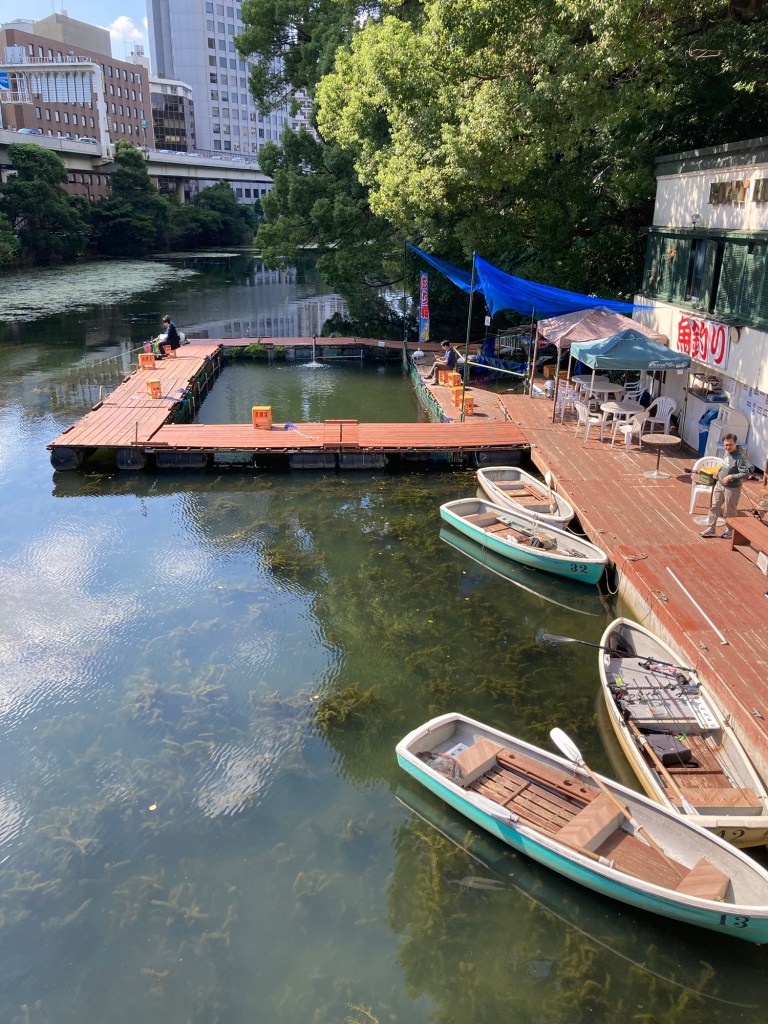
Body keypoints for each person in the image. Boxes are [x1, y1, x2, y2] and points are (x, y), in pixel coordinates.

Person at [700, 433, 749, 538]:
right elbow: (725, 464)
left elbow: (746, 474)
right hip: (719, 484)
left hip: (732, 488)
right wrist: (718, 470)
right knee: (714, 507)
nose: (728, 447)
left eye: (730, 445)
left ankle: (730, 530)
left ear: (735, 443)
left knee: (730, 511)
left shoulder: (740, 457)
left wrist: (731, 476)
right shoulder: (727, 452)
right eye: (726, 445)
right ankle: (711, 529)